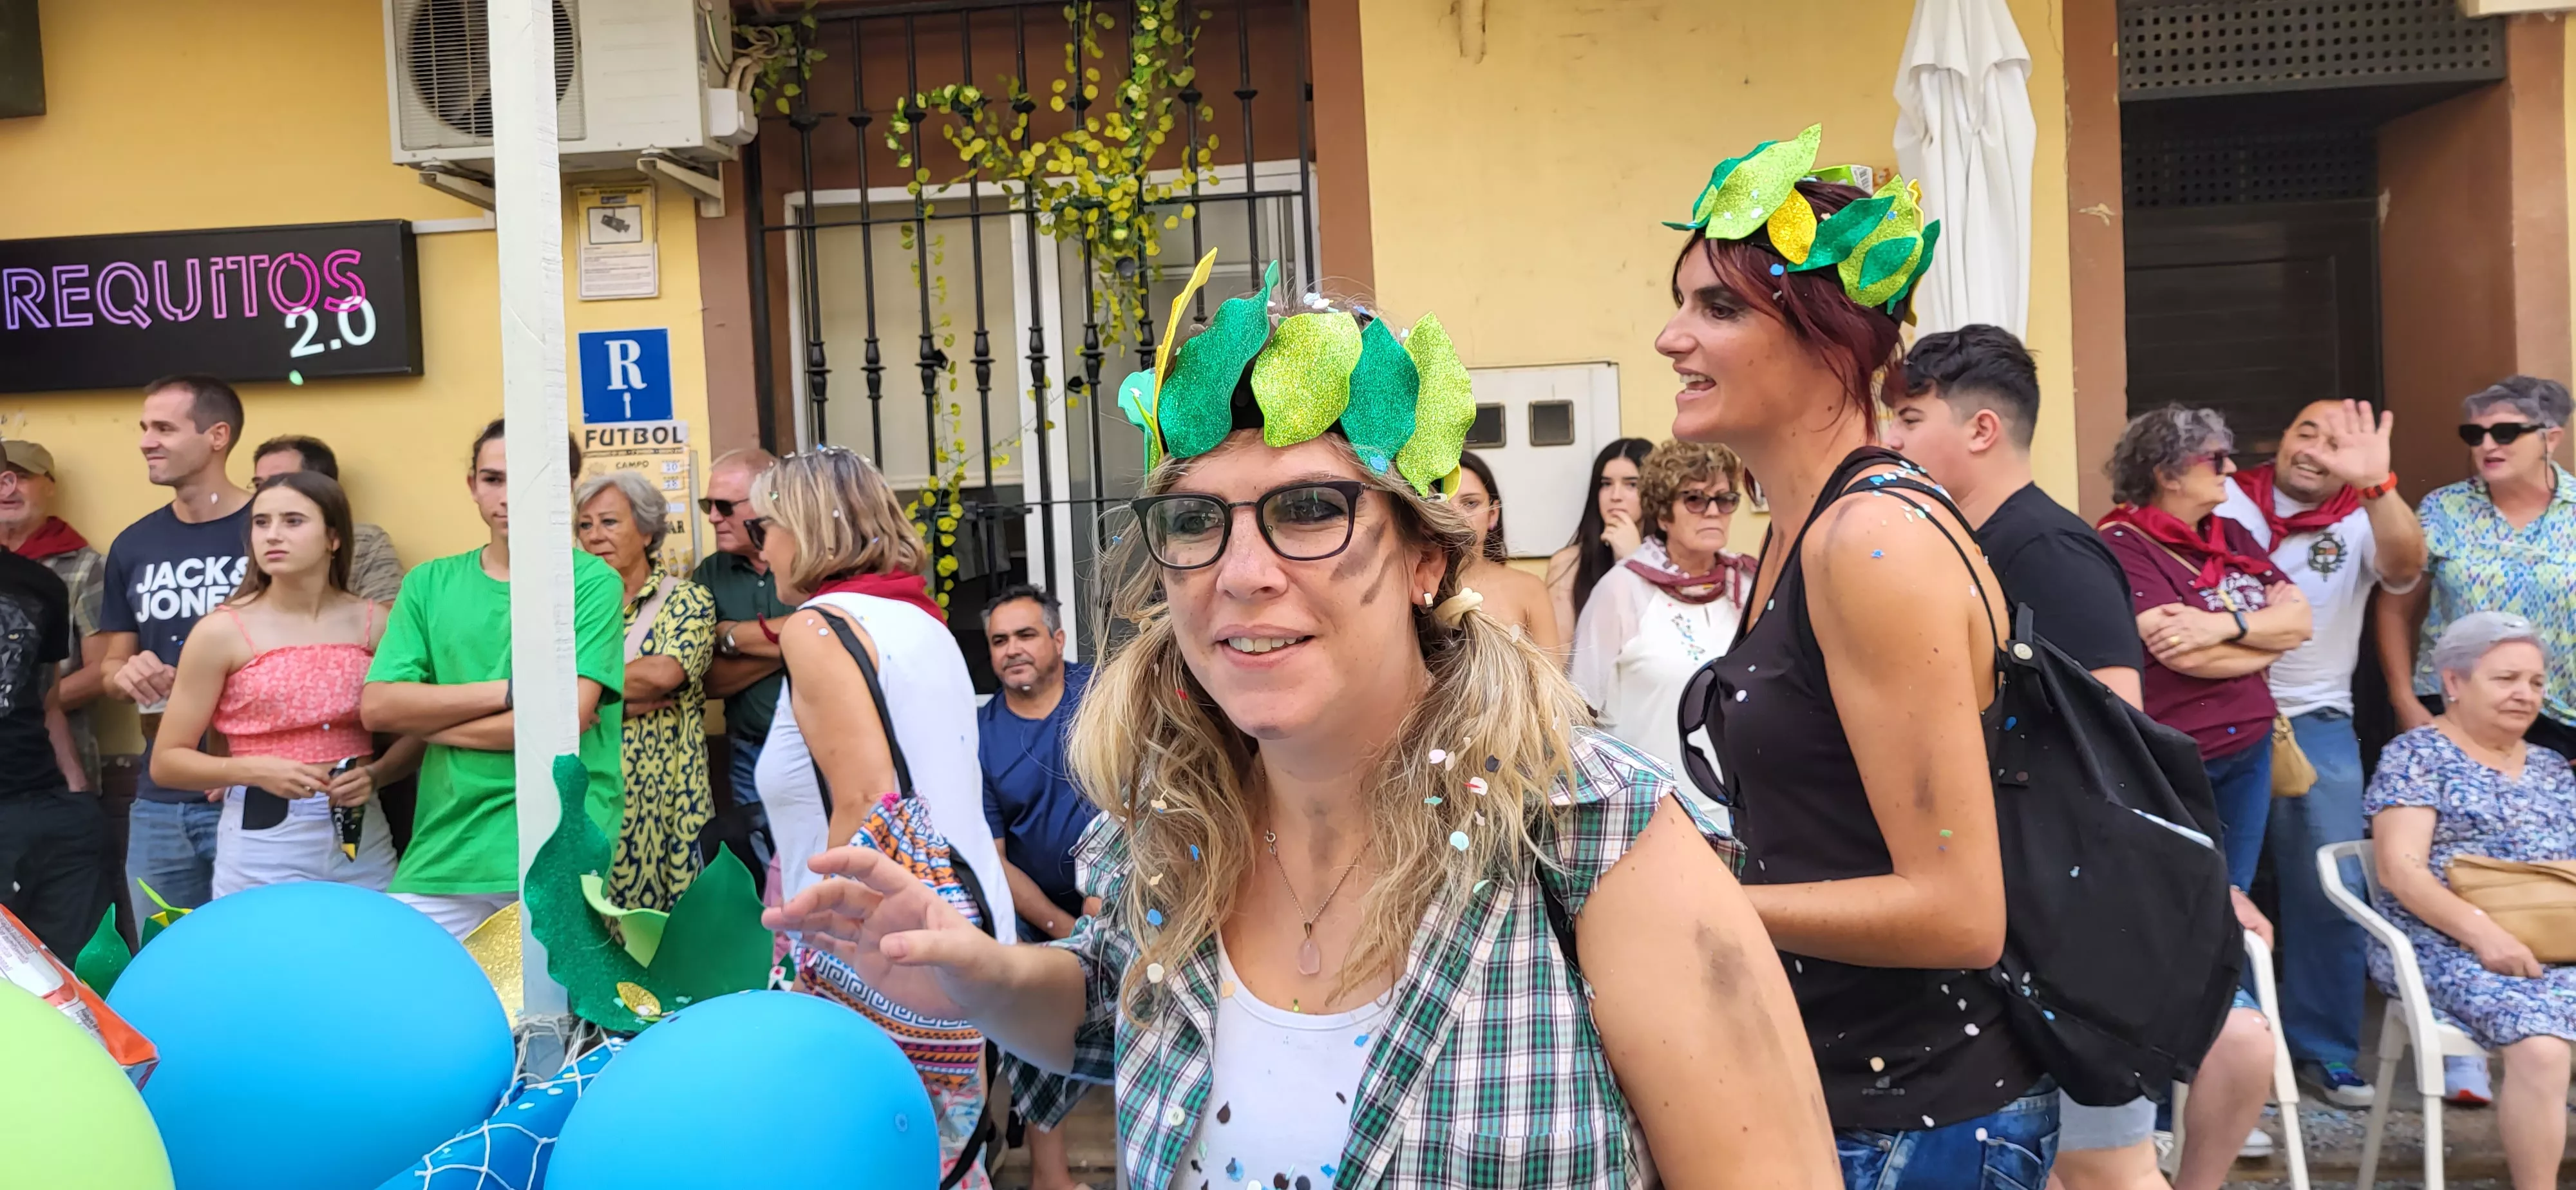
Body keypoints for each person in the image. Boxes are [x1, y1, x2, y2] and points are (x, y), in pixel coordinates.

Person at [769, 279, 1839, 1187]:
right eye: (1197, 520)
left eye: (1310, 510)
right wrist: (975, 975)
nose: (1241, 573)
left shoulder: (1600, 843)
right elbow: (1106, 1008)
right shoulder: (1172, 831)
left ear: (1425, 559)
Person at [1660, 130, 2054, 1187]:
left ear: (1830, 342)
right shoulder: (1801, 529)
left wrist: (1688, 901)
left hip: (1917, 1128)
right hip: (1831, 1097)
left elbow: (1959, 912)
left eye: (1718, 307)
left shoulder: (1872, 543)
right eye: (1681, 301)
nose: (1669, 336)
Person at [1885, 326, 2184, 1189]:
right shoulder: (1973, 544)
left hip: (2072, 921)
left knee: (2107, 1169)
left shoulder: (2046, 550)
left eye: (1910, 418)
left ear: (1981, 429)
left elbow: (2116, 738)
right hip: (2020, 915)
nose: (1892, 440)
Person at [747, 446, 1019, 1186]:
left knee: (869, 1159)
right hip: (962, 917)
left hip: (878, 939)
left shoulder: (817, 627)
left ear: (807, 527)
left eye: (765, 527)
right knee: (940, 1157)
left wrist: (826, 960)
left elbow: (867, 800)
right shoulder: (919, 621)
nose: (759, 549)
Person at [2096, 405, 2308, 1180]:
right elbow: (2170, 651)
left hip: (2247, 754)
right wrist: (2253, 633)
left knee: (2232, 915)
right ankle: (2153, 1109)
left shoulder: (2232, 537)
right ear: (2167, 470)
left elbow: (2299, 621)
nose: (2229, 471)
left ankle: (2226, 1088)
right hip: (2174, 764)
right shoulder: (2120, 545)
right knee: (2172, 920)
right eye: (2216, 460)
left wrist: (2221, 628)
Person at [2212, 399, 2425, 1111]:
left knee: (2331, 886)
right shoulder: (2225, 496)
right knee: (2216, 890)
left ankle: (2326, 1049)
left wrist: (2377, 484)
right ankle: (2228, 1054)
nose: (2315, 450)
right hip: (2219, 716)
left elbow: (2406, 569)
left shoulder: (2362, 514)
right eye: (2307, 432)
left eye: (2336, 442)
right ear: (2281, 437)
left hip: (2317, 720)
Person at [359, 419, 625, 940]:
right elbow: (379, 708)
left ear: (565, 486)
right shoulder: (428, 583)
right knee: (407, 980)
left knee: (547, 996)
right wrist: (510, 693)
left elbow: (563, 723)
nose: (507, 495)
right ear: (472, 485)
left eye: (525, 479)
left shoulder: (591, 582)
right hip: (446, 841)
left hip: (557, 836)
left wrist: (433, 724)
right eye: (493, 479)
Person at [2365, 611, 2576, 1190]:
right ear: (2454, 682)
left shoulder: (2551, 767)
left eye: (2535, 682)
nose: (2525, 694)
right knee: (2541, 1047)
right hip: (2447, 944)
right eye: (2506, 678)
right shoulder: (2417, 756)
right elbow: (2401, 871)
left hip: (2556, 940)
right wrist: (2485, 934)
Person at [148, 472, 415, 896]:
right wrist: (253, 770)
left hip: (359, 829)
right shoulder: (222, 631)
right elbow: (166, 762)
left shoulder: (376, 624)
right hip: (262, 835)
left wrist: (377, 775)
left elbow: (418, 733)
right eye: (261, 522)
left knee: (373, 937)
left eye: (293, 521)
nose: (273, 535)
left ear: (333, 538)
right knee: (267, 939)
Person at [95, 374, 252, 925]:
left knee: (263, 956)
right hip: (158, 800)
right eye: (144, 428)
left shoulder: (272, 530)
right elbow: (111, 666)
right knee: (163, 961)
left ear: (217, 436)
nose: (146, 441)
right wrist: (125, 674)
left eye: (164, 428)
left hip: (255, 793)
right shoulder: (134, 544)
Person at [2378, 378, 2576, 759]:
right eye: (2475, 434)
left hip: (2562, 721)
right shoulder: (2443, 509)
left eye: (2505, 433)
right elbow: (2394, 605)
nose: (2487, 446)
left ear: (2550, 440)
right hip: (2454, 714)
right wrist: (2404, 700)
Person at [976, 583, 1099, 1190]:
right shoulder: (980, 736)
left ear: (1058, 639)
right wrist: (1062, 928)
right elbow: (994, 861)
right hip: (1034, 905)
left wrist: (1100, 909)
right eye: (999, 641)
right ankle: (1052, 1178)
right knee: (1029, 997)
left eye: (1026, 635)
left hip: (1130, 886)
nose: (1012, 650)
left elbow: (1140, 804)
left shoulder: (1100, 697)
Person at [576, 469, 715, 911]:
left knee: (659, 931)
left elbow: (663, 674)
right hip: (586, 791)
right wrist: (615, 702)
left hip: (662, 802)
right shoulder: (567, 607)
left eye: (609, 522)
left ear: (647, 530)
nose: (594, 536)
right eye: (585, 525)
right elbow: (535, 680)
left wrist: (581, 691)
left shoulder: (687, 600)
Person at [1569, 439, 1749, 777]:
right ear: (1664, 514)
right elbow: (1579, 710)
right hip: (1652, 798)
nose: (1713, 512)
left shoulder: (1747, 584)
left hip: (1741, 799)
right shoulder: (1621, 589)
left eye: (1725, 500)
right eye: (1695, 499)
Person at [0, 511, 101, 959]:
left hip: (47, 809)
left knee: (75, 975)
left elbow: (47, 701)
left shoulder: (40, 586)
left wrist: (78, 798)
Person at [691, 448, 791, 876]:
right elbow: (705, 680)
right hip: (750, 751)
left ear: (768, 502)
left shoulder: (812, 557)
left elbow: (842, 633)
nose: (713, 517)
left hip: (823, 751)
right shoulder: (710, 574)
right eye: (707, 505)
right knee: (770, 881)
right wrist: (792, 644)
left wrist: (730, 634)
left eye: (725, 506)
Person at [251, 435, 406, 603]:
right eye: (259, 484)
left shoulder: (366, 540)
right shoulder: (256, 536)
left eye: (283, 480)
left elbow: (392, 612)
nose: (267, 491)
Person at [1448, 452, 1564, 654]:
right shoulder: (1413, 588)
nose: (1455, 515)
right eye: (1443, 502)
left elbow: (1551, 672)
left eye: (1470, 503)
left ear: (1493, 514)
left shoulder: (1529, 589)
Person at [1542, 437, 1655, 639]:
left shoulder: (1674, 559)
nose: (1615, 496)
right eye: (1606, 484)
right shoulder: (1568, 563)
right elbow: (1558, 650)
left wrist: (1633, 561)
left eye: (1631, 484)